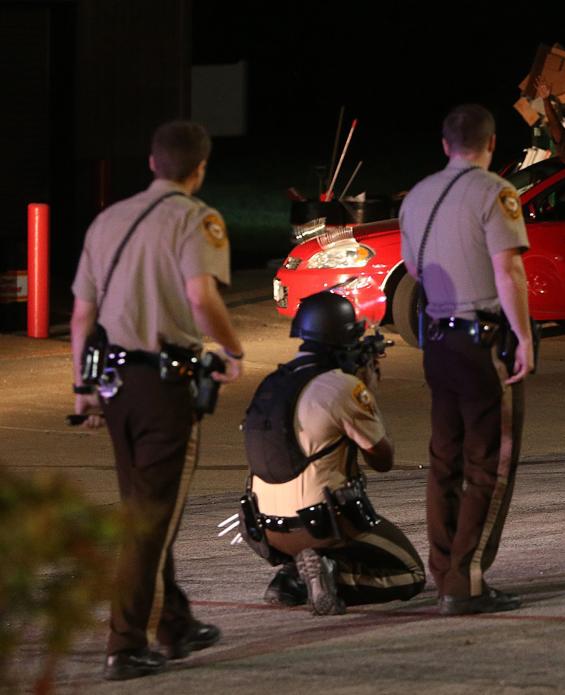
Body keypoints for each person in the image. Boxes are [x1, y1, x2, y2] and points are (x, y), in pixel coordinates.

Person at [70, 120, 244, 681]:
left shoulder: (107, 221)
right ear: (199, 169)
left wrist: (84, 388)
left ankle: (175, 623)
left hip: (115, 385)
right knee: (150, 519)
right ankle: (125, 643)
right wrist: (232, 346)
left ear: (151, 163)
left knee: (143, 507)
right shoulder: (198, 219)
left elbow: (81, 316)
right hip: (164, 388)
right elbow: (201, 297)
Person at [398, 104, 534, 615]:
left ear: (444, 144)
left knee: (443, 461)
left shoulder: (417, 196)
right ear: (492, 144)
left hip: (437, 341)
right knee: (487, 464)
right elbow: (509, 272)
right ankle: (465, 580)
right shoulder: (494, 192)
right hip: (482, 344)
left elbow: (412, 265)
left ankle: (444, 572)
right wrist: (522, 337)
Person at [241, 290, 425, 614]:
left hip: (265, 529)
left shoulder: (271, 382)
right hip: (322, 524)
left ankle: (292, 577)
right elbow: (383, 460)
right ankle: (332, 577)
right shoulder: (340, 386)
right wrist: (366, 390)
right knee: (410, 574)